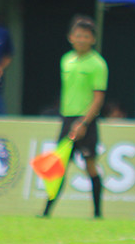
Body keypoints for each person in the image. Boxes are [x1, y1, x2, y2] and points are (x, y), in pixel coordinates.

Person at [41, 15, 108, 219]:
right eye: (78, 36)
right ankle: (46, 213)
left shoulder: (98, 64)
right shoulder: (66, 60)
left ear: (92, 39)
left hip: (86, 121)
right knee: (58, 166)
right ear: (70, 37)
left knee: (90, 166)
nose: (81, 40)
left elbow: (98, 99)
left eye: (86, 36)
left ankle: (97, 214)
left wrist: (84, 123)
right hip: (67, 119)